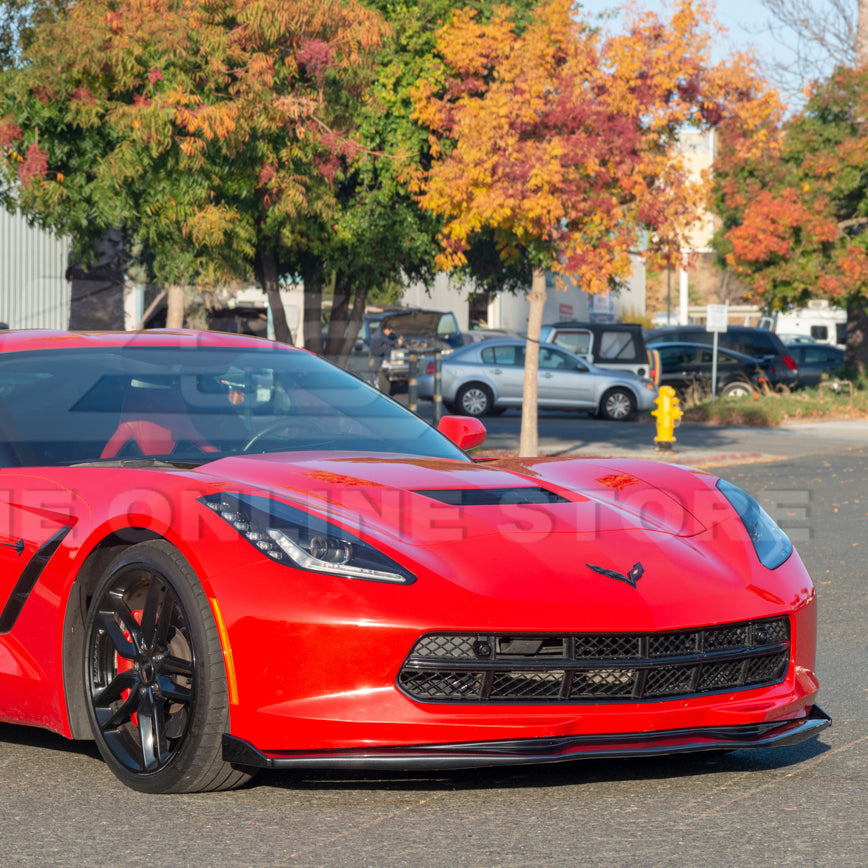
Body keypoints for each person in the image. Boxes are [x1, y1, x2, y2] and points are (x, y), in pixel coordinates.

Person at [369, 324, 395, 390]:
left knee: (376, 366)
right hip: (376, 351)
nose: (389, 334)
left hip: (376, 351)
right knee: (387, 347)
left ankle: (372, 380)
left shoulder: (379, 333)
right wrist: (397, 341)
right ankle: (386, 362)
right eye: (389, 332)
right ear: (386, 330)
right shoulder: (381, 334)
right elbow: (388, 342)